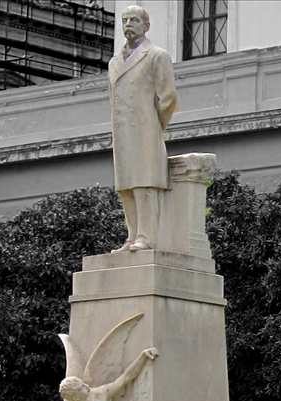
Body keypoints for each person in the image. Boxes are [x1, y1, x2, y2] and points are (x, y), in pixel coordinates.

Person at [108, 5, 179, 253]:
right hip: (123, 131)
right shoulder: (114, 62)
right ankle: (132, 235)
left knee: (144, 184)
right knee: (126, 185)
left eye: (134, 20)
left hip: (146, 128)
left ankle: (146, 237)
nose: (129, 23)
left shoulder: (157, 55)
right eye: (125, 19)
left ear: (146, 25)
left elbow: (168, 98)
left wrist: (154, 123)